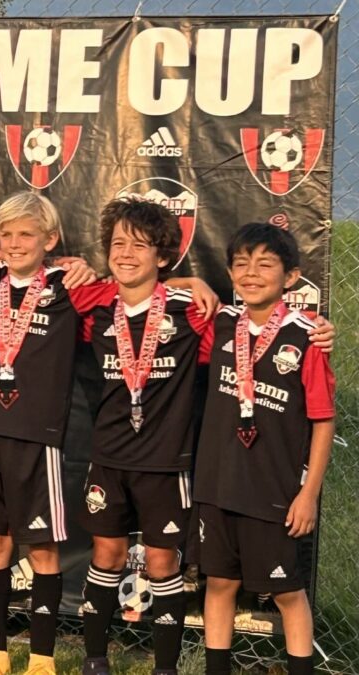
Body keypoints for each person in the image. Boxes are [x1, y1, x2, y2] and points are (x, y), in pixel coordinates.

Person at [0, 193, 117, 675]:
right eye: (5, 235)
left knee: (42, 547)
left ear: (50, 239)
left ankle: (43, 657)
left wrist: (190, 280)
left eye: (26, 234)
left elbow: (132, 292)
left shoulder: (69, 284)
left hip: (37, 435)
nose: (14, 243)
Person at [77, 197, 218, 675]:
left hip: (165, 460)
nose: (126, 253)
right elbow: (35, 276)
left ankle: (165, 668)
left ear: (163, 256)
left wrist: (316, 329)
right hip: (108, 455)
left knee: (161, 562)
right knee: (107, 553)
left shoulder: (191, 311)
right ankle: (94, 659)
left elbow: (250, 335)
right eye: (118, 243)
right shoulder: (94, 305)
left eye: (140, 246)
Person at [195, 223, 335, 675]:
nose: (251, 273)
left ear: (291, 277)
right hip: (217, 484)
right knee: (218, 584)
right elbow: (148, 290)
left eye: (265, 264)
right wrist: (192, 282)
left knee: (287, 594)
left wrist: (308, 493)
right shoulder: (219, 325)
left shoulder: (307, 335)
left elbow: (323, 420)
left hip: (272, 491)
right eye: (241, 263)